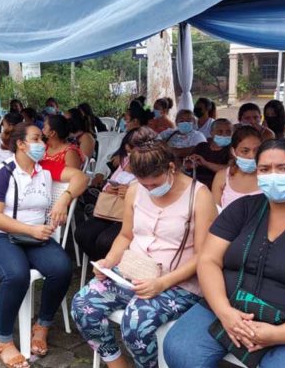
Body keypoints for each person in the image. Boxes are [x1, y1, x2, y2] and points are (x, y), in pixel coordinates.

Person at [164, 137, 285, 368]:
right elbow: (208, 260)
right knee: (180, 350)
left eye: (284, 168)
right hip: (230, 303)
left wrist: (282, 334)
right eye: (265, 169)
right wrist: (224, 311)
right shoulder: (243, 209)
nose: (273, 176)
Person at [71, 127, 217, 368]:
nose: (149, 190)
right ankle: (117, 363)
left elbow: (204, 256)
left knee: (136, 323)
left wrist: (162, 283)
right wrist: (108, 262)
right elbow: (126, 235)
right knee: (82, 306)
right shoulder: (136, 191)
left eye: (154, 184)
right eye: (143, 184)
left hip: (179, 281)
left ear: (172, 167)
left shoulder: (199, 196)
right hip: (133, 271)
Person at [0, 122, 88, 368]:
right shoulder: (2, 173)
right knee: (16, 275)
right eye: (36, 139)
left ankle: (42, 325)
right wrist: (31, 229)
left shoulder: (46, 168)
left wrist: (64, 200)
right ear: (21, 144)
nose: (43, 144)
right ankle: (4, 341)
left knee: (61, 268)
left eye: (42, 139)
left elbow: (81, 177)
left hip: (34, 238)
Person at [73, 130, 138, 262]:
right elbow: (106, 186)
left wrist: (132, 192)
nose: (130, 155)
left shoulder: (152, 168)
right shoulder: (125, 161)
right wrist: (110, 189)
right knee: (83, 233)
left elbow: (153, 195)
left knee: (105, 241)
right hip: (112, 211)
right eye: (128, 151)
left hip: (134, 216)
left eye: (132, 151)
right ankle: (101, 265)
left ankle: (110, 268)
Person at [211, 126, 263, 210]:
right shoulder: (222, 177)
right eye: (245, 151)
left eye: (257, 150)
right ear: (233, 152)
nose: (252, 156)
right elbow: (214, 213)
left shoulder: (268, 177)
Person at [186, 118, 233, 189]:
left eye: (228, 132)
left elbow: (229, 170)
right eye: (220, 132)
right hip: (195, 186)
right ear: (211, 133)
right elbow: (187, 165)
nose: (224, 135)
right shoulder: (201, 146)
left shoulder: (232, 150)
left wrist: (205, 163)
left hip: (217, 188)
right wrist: (190, 164)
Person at [40, 114, 83, 180]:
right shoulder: (43, 148)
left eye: (44, 128)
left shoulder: (70, 153)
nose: (42, 130)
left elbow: (73, 178)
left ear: (52, 133)